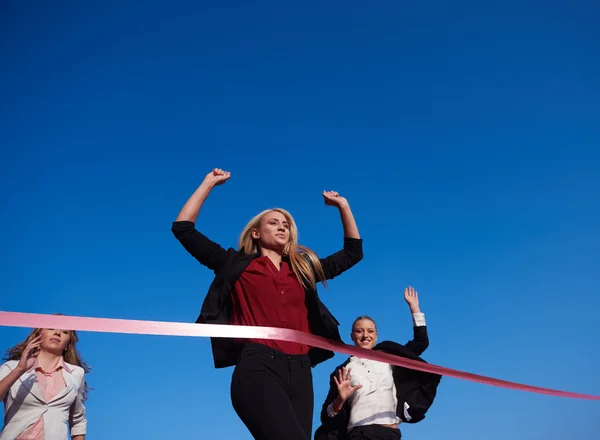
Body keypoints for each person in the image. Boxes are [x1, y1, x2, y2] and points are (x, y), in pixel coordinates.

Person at [171, 168, 363, 440]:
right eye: (274, 222)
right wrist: (209, 182)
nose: (282, 226)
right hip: (258, 366)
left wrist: (343, 206)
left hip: (300, 372)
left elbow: (353, 252)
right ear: (256, 234)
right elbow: (183, 229)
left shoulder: (303, 270)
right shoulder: (236, 265)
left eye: (286, 224)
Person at [314, 287, 441, 440]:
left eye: (370, 331)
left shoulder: (390, 357)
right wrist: (340, 400)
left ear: (376, 335)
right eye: (359, 331)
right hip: (358, 433)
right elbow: (326, 416)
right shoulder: (343, 370)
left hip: (388, 432)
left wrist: (414, 308)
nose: (365, 335)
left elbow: (421, 343)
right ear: (352, 336)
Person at [0, 324, 89, 440]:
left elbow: (78, 421)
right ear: (38, 335)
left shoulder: (76, 374)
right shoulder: (11, 367)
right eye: (51, 328)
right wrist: (19, 370)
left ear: (68, 344)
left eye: (65, 332)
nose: (57, 332)